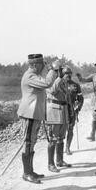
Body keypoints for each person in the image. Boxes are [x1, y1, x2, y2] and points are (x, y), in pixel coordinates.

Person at [17, 54, 59, 183]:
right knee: (28, 143)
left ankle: (30, 171)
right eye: (42, 64)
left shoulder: (35, 76)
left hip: (34, 113)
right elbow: (47, 83)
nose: (44, 66)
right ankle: (26, 173)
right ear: (34, 65)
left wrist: (50, 70)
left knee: (32, 142)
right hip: (29, 114)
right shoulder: (30, 76)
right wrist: (53, 69)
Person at [76, 60, 96, 141]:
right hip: (95, 97)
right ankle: (92, 135)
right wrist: (79, 77)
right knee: (94, 116)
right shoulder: (94, 76)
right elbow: (83, 80)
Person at [63, 67, 84, 155]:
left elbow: (81, 98)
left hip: (71, 109)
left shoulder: (75, 85)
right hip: (61, 109)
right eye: (66, 73)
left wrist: (78, 107)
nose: (68, 74)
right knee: (60, 130)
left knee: (70, 129)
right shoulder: (59, 84)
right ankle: (59, 148)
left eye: (69, 73)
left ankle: (67, 147)